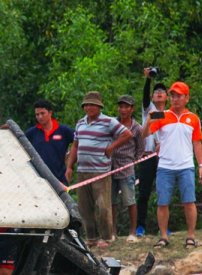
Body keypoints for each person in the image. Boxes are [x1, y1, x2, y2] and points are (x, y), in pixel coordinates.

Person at [143, 81, 202, 249]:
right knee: (162, 202)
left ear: (187, 98)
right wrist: (148, 121)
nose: (175, 99)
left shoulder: (193, 118)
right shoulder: (161, 114)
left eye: (179, 96)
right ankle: (164, 236)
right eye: (173, 95)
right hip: (165, 166)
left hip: (186, 165)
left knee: (189, 201)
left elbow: (197, 143)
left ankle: (191, 236)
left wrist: (201, 165)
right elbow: (144, 134)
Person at [65, 92, 132, 248]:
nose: (88, 107)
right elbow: (75, 145)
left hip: (100, 171)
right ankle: (92, 237)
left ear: (98, 106)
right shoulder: (80, 123)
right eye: (86, 105)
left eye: (92, 105)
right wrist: (69, 166)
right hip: (82, 171)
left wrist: (110, 148)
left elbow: (127, 134)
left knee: (103, 206)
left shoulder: (108, 121)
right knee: (85, 206)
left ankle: (107, 237)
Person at [137, 69, 169, 237]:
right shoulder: (148, 110)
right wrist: (148, 80)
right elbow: (144, 96)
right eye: (156, 92)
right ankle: (140, 226)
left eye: (162, 92)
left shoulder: (170, 114)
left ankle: (164, 227)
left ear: (167, 97)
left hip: (164, 157)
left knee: (164, 193)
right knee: (144, 193)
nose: (158, 94)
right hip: (147, 156)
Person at [112, 95, 144, 242]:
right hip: (111, 166)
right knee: (111, 200)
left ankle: (132, 232)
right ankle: (112, 232)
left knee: (129, 200)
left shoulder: (137, 128)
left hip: (127, 167)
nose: (123, 110)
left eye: (126, 107)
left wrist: (133, 160)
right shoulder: (112, 123)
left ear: (132, 109)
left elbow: (140, 149)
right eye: (120, 106)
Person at [25, 100, 75, 186]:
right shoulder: (32, 133)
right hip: (38, 179)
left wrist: (70, 155)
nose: (40, 117)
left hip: (60, 178)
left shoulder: (63, 130)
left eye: (42, 113)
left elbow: (79, 142)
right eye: (37, 114)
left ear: (50, 113)